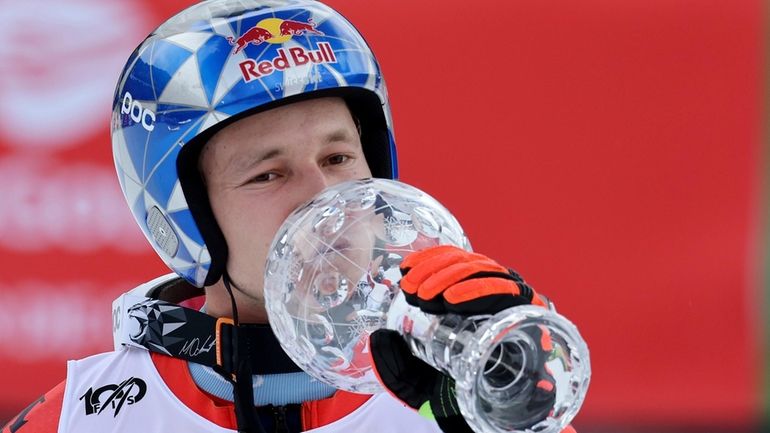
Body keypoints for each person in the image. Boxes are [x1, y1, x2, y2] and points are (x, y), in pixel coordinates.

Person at [1, 1, 578, 432]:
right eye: (268, 174)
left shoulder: (455, 391)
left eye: (337, 157)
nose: (322, 195)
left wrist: (508, 404)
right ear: (185, 219)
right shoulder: (82, 417)